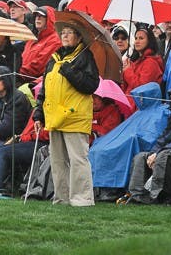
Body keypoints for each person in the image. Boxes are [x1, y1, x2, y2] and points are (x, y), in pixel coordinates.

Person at [34, 20, 100, 206]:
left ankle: (82, 198)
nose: (65, 35)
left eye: (70, 32)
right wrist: (39, 113)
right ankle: (61, 198)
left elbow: (91, 85)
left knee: (78, 159)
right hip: (55, 117)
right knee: (58, 160)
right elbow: (45, 89)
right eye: (63, 32)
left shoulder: (85, 57)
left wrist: (70, 71)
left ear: (79, 37)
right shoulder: (54, 59)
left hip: (74, 116)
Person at [122, 26, 164, 110]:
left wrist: (127, 71)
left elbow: (140, 87)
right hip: (131, 109)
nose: (137, 41)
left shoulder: (151, 63)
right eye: (136, 38)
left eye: (141, 38)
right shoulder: (136, 61)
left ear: (149, 41)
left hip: (141, 110)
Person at [18, 6, 61, 81]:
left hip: (36, 83)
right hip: (22, 77)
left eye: (41, 16)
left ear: (49, 19)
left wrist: (17, 72)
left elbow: (38, 66)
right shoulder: (32, 39)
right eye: (36, 15)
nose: (38, 18)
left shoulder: (55, 39)